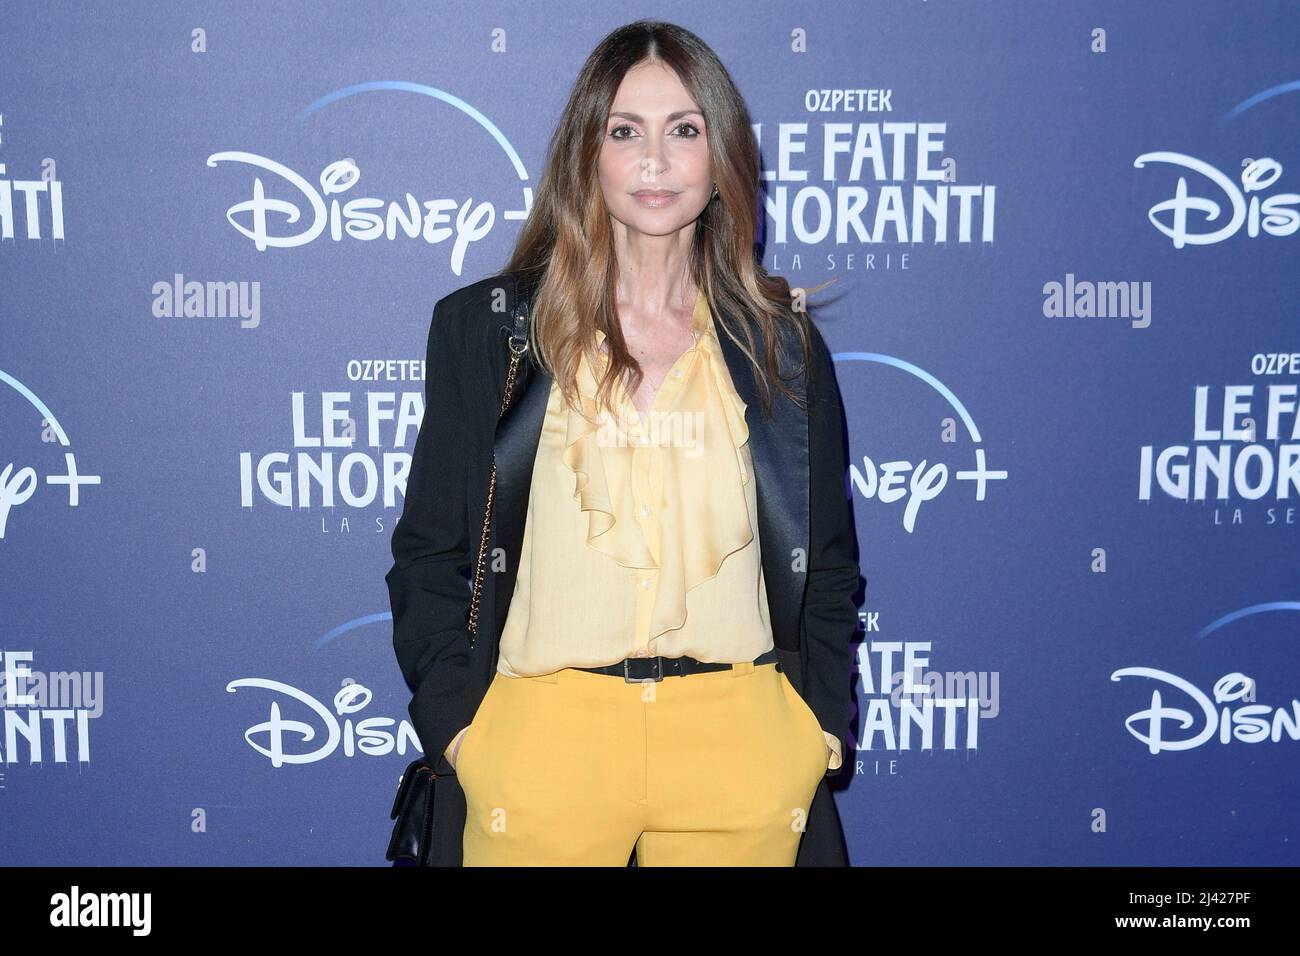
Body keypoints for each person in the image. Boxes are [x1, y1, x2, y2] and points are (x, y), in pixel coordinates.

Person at [387, 19, 861, 866]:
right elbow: (427, 554)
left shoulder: (781, 347)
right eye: (625, 131)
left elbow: (827, 564)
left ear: (721, 161)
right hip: (541, 743)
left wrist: (815, 727)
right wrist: (464, 734)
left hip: (742, 747)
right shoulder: (487, 333)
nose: (655, 158)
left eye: (684, 129)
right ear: (587, 154)